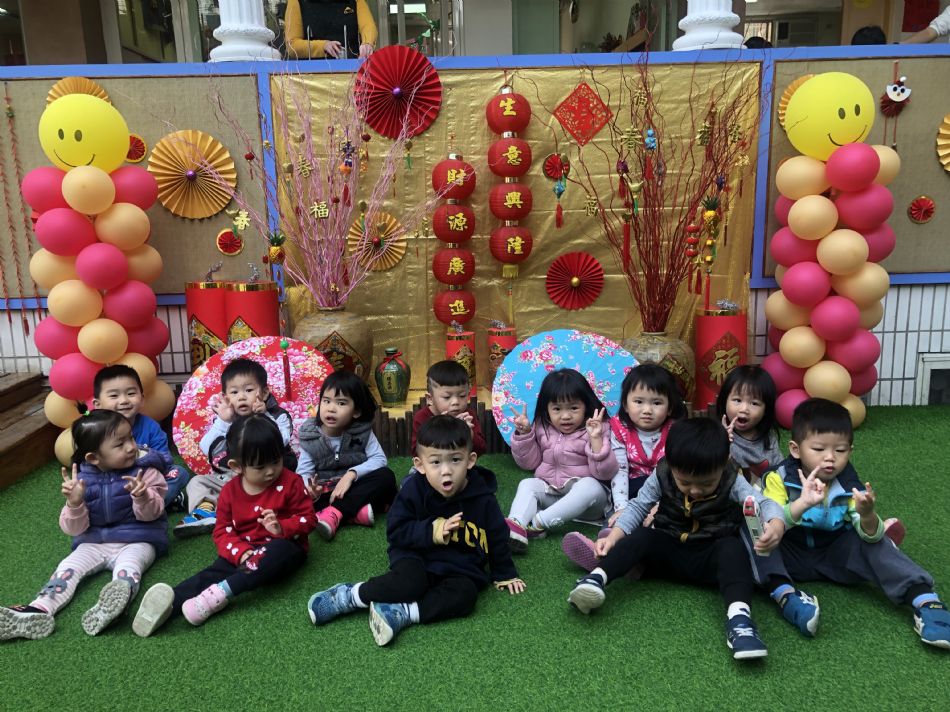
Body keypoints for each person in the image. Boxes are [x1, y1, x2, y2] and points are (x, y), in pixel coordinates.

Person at [567, 418, 787, 660]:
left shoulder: (731, 477)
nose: (694, 490)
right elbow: (639, 506)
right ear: (670, 463)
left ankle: (740, 621)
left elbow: (763, 503)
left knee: (733, 549)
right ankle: (596, 578)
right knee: (642, 536)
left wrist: (776, 523)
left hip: (709, 560)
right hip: (668, 551)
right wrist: (615, 536)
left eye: (706, 483)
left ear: (724, 462)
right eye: (685, 482)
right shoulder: (662, 473)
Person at [306, 415, 524, 646]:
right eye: (435, 462)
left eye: (455, 460)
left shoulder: (484, 498)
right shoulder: (414, 490)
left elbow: (497, 536)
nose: (446, 471)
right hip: (417, 555)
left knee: (466, 595)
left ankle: (403, 613)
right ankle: (351, 595)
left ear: (470, 461)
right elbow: (396, 531)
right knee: (410, 583)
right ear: (420, 465)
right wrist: (432, 531)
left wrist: (504, 572)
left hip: (461, 566)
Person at [761, 398, 950, 650]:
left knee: (875, 542)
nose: (830, 458)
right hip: (789, 555)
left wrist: (868, 514)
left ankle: (926, 601)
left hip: (834, 557)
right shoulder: (778, 478)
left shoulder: (850, 485)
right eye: (819, 449)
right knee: (756, 535)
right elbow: (772, 521)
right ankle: (787, 597)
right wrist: (802, 503)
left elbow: (869, 535)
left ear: (850, 450)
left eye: (840, 450)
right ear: (796, 449)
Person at [132, 415, 317, 636]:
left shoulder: (291, 482)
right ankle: (168, 605)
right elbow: (222, 531)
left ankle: (222, 592)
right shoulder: (230, 492)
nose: (270, 471)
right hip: (243, 551)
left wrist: (282, 528)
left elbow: (308, 518)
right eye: (260, 466)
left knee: (278, 551)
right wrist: (241, 552)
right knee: (211, 573)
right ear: (236, 466)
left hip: (282, 549)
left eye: (276, 461)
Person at [0, 410, 167, 640]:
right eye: (120, 444)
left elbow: (153, 514)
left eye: (131, 438)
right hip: (93, 541)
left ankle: (115, 607)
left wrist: (143, 496)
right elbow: (73, 529)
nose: (131, 447)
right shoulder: (80, 481)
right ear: (93, 458)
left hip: (139, 539)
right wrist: (75, 503)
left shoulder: (146, 472)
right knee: (67, 568)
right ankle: (38, 608)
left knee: (128, 569)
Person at [561, 363, 685, 569]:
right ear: (626, 404)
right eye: (638, 402)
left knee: (656, 526)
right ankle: (602, 547)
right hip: (629, 490)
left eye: (657, 403)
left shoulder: (677, 431)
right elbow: (619, 470)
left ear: (670, 407)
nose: (647, 410)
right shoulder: (620, 428)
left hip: (665, 493)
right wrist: (621, 508)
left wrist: (659, 507)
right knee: (615, 520)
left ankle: (631, 559)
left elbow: (676, 474)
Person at [175, 358, 295, 538]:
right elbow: (207, 448)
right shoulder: (226, 419)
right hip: (234, 477)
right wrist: (224, 422)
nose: (241, 397)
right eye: (234, 392)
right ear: (225, 397)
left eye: (249, 390)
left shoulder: (278, 415)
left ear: (264, 392)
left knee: (286, 484)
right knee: (197, 482)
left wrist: (265, 416)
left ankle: (250, 511)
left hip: (266, 477)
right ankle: (205, 511)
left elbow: (281, 440)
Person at [505, 368, 619, 553]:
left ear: (586, 406)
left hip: (589, 504)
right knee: (527, 483)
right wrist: (525, 434)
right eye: (557, 409)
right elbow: (529, 464)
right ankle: (516, 525)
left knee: (590, 485)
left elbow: (605, 473)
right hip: (553, 495)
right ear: (547, 408)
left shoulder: (597, 428)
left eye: (573, 408)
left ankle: (538, 523)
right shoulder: (542, 426)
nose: (565, 416)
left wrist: (596, 439)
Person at [297, 370, 397, 540]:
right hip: (326, 492)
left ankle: (335, 513)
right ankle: (353, 512)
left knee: (386, 476)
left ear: (356, 411)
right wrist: (310, 490)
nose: (331, 408)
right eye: (326, 401)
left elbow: (379, 459)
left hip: (354, 487)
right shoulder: (311, 436)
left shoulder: (361, 432)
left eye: (341, 403)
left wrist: (351, 474)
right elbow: (303, 473)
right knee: (301, 501)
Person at [93, 364, 189, 511]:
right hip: (111, 483)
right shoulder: (96, 430)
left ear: (142, 398)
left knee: (179, 473)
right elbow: (88, 465)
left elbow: (165, 460)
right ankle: (148, 507)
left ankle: (150, 505)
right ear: (97, 404)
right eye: (114, 396)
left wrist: (142, 456)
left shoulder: (151, 427)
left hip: (146, 481)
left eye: (131, 393)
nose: (124, 400)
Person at [717, 365, 783, 486]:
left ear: (766, 410)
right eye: (737, 400)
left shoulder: (769, 437)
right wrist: (723, 444)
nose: (744, 409)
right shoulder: (716, 436)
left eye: (754, 403)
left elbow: (780, 469)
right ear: (724, 400)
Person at [411, 360, 486, 456]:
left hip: (460, 463)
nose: (455, 402)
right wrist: (438, 429)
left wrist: (469, 434)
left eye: (462, 396)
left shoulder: (468, 416)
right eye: (447, 397)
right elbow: (416, 453)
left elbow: (481, 449)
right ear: (430, 398)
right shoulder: (422, 417)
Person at [284, 0, 378, 60]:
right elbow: (292, 45)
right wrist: (323, 46)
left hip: (352, 68)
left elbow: (368, 26)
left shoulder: (356, 1)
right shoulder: (297, 2)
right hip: (312, 74)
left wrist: (367, 43)